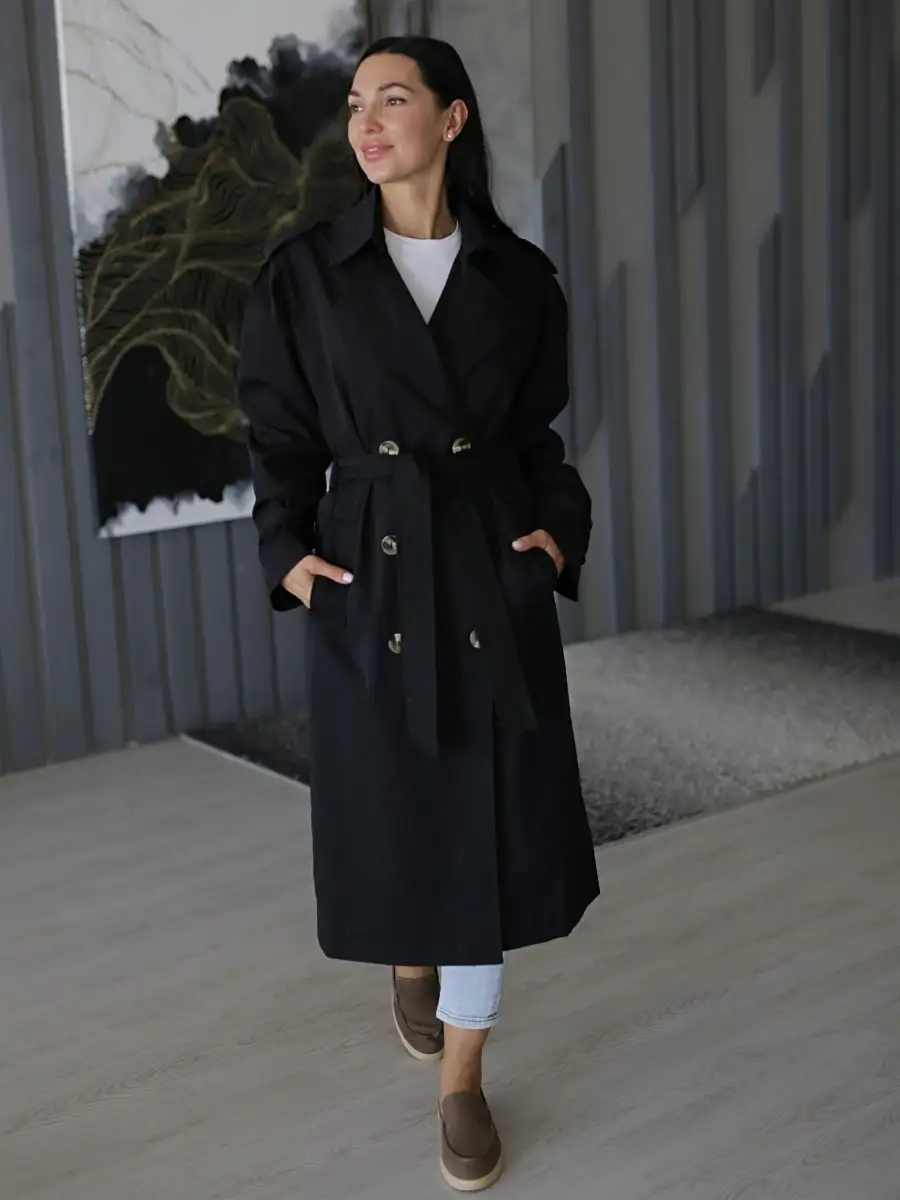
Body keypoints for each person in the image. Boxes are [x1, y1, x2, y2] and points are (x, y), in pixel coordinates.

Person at [238, 35, 600, 1193]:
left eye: (392, 99)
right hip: (370, 572)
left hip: (487, 565)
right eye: (356, 102)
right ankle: (410, 956)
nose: (366, 121)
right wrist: (288, 553)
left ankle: (463, 1080)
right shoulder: (306, 273)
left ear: (451, 118)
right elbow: (278, 437)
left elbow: (540, 439)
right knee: (397, 810)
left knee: (483, 832)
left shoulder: (518, 276)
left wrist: (558, 533)